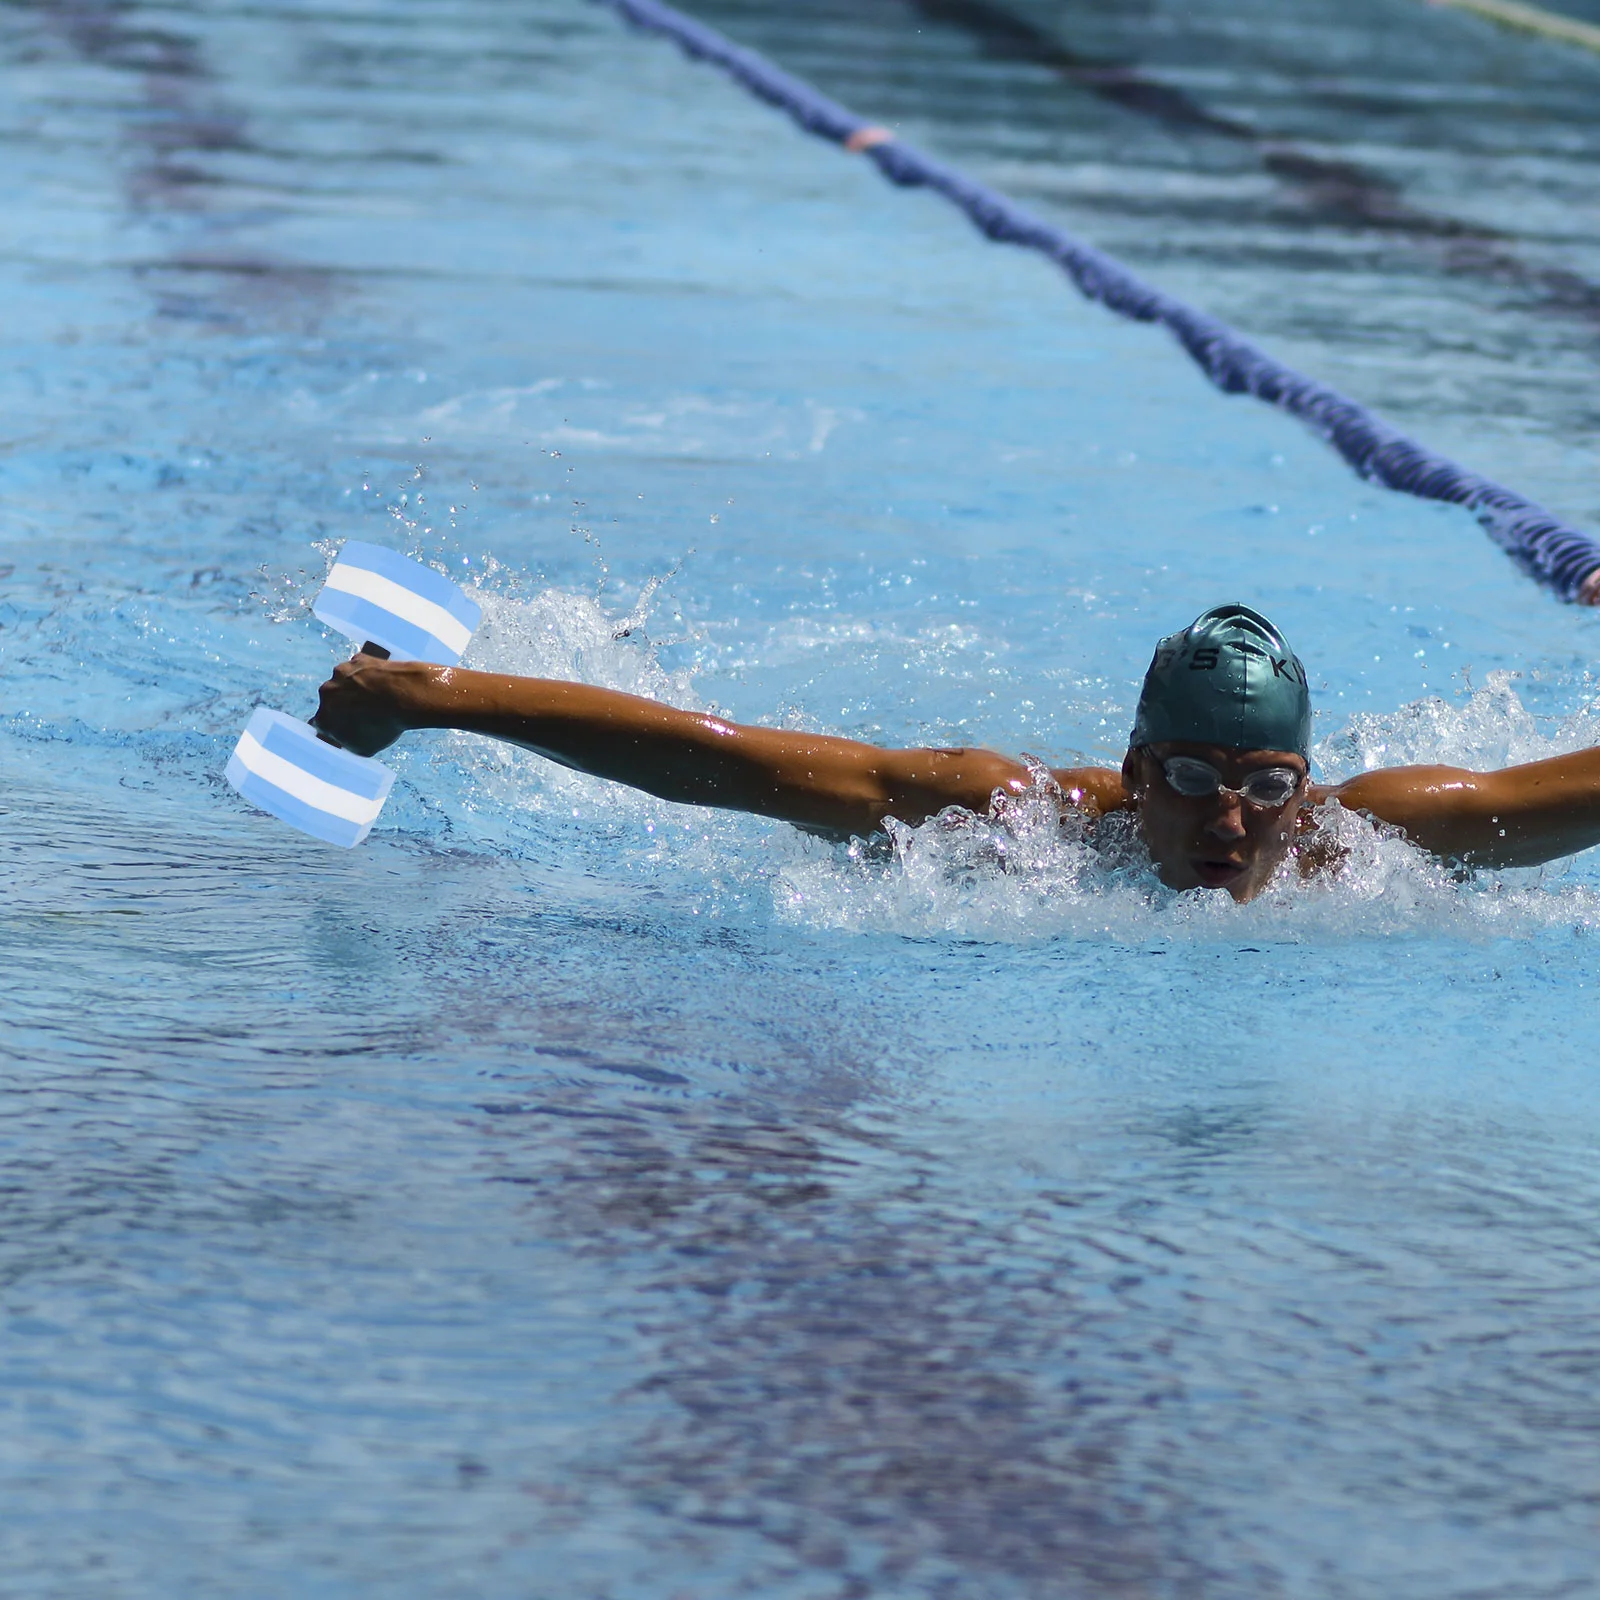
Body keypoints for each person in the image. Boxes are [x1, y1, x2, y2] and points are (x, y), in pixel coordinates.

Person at [311, 602, 1600, 902]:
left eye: (1265, 787)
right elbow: (722, 761)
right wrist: (438, 698)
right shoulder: (1013, 820)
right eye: (1196, 781)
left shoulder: (1365, 841)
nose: (1233, 821)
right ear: (1139, 775)